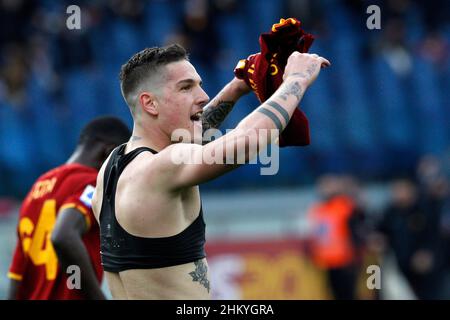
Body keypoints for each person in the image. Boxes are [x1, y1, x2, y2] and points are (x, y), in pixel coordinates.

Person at [92, 44, 330, 299]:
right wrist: (296, 79)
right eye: (186, 87)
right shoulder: (165, 166)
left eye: (199, 84)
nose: (203, 96)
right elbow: (246, 142)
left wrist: (237, 88)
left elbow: (190, 134)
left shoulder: (112, 166)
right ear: (149, 103)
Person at [7, 116, 131, 300]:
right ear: (108, 153)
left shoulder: (37, 188)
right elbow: (63, 237)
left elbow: (17, 272)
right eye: (122, 164)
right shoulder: (91, 184)